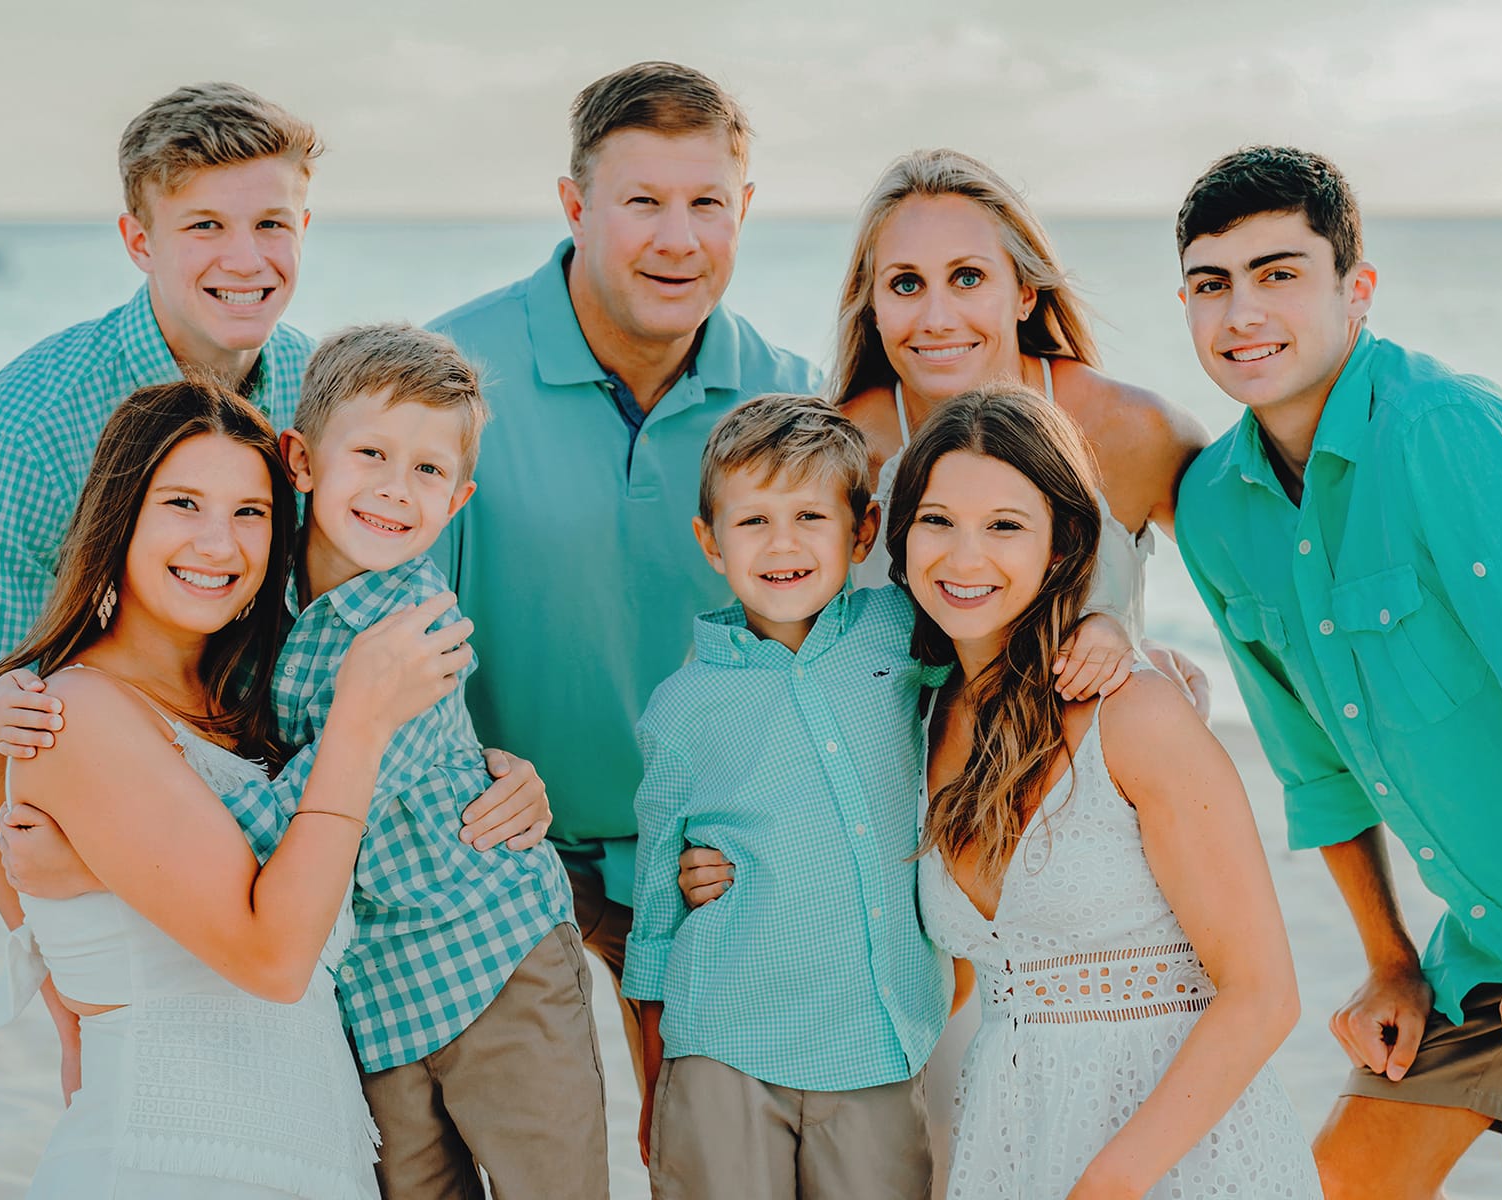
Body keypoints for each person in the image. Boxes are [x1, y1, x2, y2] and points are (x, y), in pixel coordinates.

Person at [0, 82, 318, 1196]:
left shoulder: (310, 398)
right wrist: (49, 959)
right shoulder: (31, 424)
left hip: (132, 752)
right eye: (203, 225)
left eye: (271, 222)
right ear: (136, 240)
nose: (244, 258)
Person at [0, 326, 602, 1199]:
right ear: (307, 462)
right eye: (181, 504)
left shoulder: (305, 663)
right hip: (197, 1152)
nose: (219, 544)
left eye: (248, 513)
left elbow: (294, 823)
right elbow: (272, 921)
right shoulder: (89, 707)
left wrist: (93, 859)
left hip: (440, 1002)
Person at [1172, 146, 1502, 1200]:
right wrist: (1388, 960)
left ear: (1355, 291)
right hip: (1492, 947)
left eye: (1278, 273)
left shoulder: (1441, 434)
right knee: (1335, 1179)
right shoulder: (1212, 508)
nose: (1241, 311)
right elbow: (1312, 771)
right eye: (1210, 283)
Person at [426, 60, 815, 1086]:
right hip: (500, 851)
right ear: (574, 205)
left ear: (745, 211)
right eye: (641, 202)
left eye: (707, 205)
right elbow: (385, 633)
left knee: (698, 1148)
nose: (676, 239)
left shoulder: (793, 399)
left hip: (704, 858)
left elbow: (835, 649)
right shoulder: (447, 378)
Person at [900, 385, 1321, 1198]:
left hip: (1174, 1158)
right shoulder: (917, 719)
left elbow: (1263, 995)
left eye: (1004, 526)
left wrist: (1111, 1182)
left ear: (1062, 547)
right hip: (1009, 1142)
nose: (962, 557)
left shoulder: (1135, 713)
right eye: (936, 520)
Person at [622, 395, 950, 1199]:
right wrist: (657, 1071)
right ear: (709, 541)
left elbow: (1004, 655)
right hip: (722, 1044)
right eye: (753, 521)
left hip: (875, 1040)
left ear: (862, 531)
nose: (782, 544)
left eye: (809, 515)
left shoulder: (903, 633)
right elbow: (656, 907)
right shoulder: (680, 707)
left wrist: (1106, 631)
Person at [830, 147, 1211, 710]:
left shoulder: (1131, 430)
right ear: (874, 307)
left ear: (1025, 293)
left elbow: (1271, 606)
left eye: (968, 277)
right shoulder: (841, 456)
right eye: (906, 284)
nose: (937, 319)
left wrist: (1139, 659)